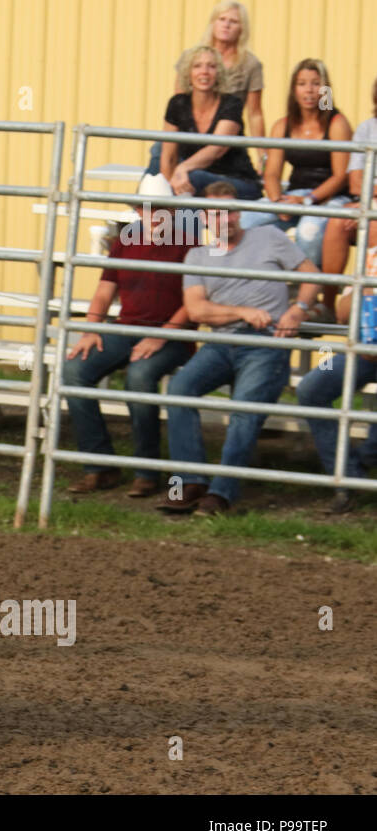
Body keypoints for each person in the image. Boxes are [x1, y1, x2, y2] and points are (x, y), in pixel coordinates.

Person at [159, 181, 322, 517]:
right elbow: (196, 311)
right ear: (205, 217)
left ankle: (221, 493)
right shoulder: (198, 255)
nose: (227, 219)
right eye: (218, 214)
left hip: (266, 342)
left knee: (244, 407)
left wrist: (298, 310)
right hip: (220, 342)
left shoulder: (269, 237)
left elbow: (313, 276)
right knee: (178, 390)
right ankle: (188, 483)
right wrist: (241, 312)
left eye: (232, 211)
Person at [62, 174, 197, 498]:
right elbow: (103, 292)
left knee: (139, 377)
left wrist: (162, 335)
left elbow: (194, 301)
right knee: (72, 371)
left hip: (174, 336)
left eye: (160, 208)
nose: (153, 214)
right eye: (146, 208)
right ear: (138, 210)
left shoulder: (189, 242)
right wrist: (92, 328)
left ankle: (146, 469)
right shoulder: (125, 241)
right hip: (126, 327)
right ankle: (100, 465)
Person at [240, 59, 352, 282]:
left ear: (325, 89)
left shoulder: (337, 123)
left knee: (308, 232)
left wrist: (308, 201)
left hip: (329, 197)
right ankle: (249, 285)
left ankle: (306, 291)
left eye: (315, 83)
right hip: (292, 195)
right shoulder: (283, 125)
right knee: (243, 219)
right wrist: (277, 200)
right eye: (302, 83)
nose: (309, 90)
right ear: (293, 89)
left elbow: (341, 176)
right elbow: (271, 173)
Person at [146, 1, 265, 174]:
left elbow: (255, 114)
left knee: (195, 174)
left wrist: (262, 154)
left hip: (225, 136)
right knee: (160, 151)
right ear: (213, 23)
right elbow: (179, 104)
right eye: (222, 19)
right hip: (190, 132)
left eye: (233, 21)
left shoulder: (250, 64)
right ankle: (146, 199)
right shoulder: (190, 56)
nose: (226, 25)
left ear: (242, 28)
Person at [295, 286, 377, 514]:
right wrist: (366, 287)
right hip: (362, 349)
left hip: (366, 349)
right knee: (310, 390)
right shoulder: (370, 254)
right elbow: (342, 315)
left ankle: (355, 469)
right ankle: (349, 476)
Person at [161, 45, 262, 201]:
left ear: (219, 73)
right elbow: (168, 156)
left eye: (211, 66)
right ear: (188, 73)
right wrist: (169, 186)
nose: (204, 72)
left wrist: (182, 168)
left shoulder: (231, 104)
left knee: (193, 178)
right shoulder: (178, 104)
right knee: (161, 183)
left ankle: (180, 224)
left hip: (238, 183)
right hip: (195, 182)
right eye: (197, 66)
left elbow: (217, 149)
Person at [317, 76, 377, 317]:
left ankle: (365, 312)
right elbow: (354, 182)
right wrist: (368, 202)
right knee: (337, 222)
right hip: (367, 203)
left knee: (370, 225)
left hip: (371, 204)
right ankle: (329, 303)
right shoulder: (367, 128)